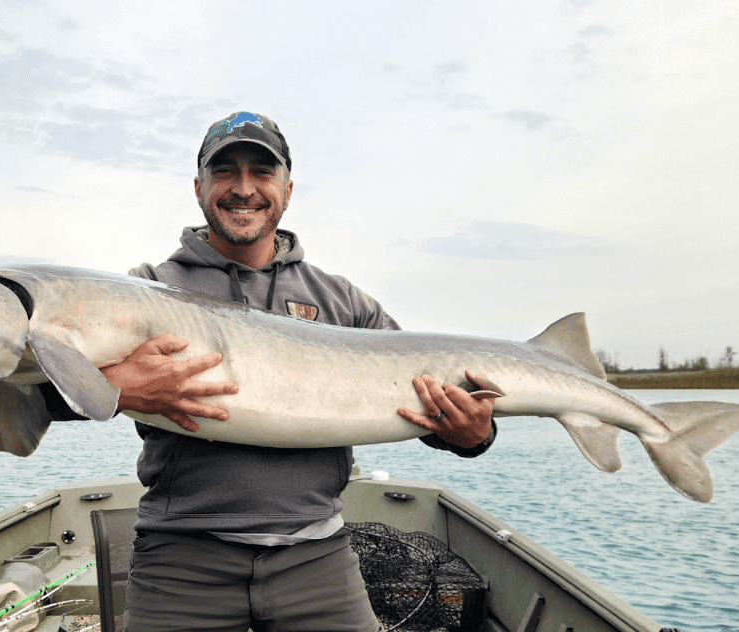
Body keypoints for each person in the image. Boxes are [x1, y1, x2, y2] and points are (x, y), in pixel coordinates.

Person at [99, 112, 498, 632]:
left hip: (318, 557)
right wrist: (115, 389)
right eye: (225, 172)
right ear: (199, 188)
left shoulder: (343, 302)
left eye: (262, 172)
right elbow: (45, 389)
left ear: (287, 190)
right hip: (180, 558)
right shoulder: (148, 289)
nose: (244, 189)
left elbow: (422, 397)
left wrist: (473, 436)